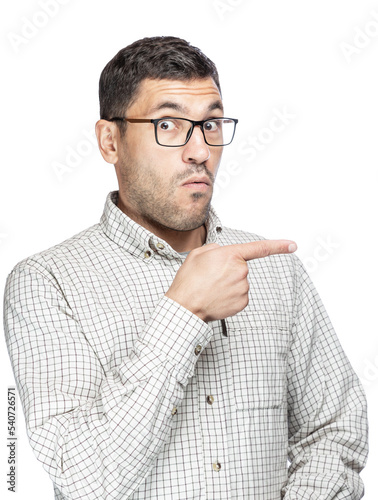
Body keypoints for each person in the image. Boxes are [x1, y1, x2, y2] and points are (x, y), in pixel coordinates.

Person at [3, 36, 368, 500]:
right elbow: (86, 482)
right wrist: (184, 313)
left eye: (211, 124)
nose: (199, 151)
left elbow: (335, 432)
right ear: (110, 141)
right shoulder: (46, 283)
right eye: (169, 124)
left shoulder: (277, 271)